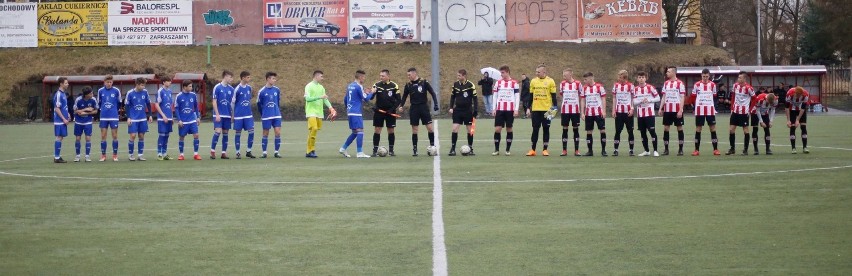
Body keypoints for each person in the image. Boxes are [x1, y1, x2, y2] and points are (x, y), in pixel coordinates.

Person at [399, 67, 439, 156]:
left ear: (414, 74)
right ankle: (415, 149)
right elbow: (404, 96)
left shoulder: (424, 82)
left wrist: (436, 104)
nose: (408, 76)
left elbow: (432, 92)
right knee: (415, 130)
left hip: (424, 107)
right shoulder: (408, 85)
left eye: (409, 75)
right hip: (414, 108)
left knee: (430, 128)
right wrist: (401, 105)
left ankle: (432, 146)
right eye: (407, 75)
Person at [339, 70, 374, 158]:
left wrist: (348, 108)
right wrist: (373, 92)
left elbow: (345, 99)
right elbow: (365, 99)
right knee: (360, 131)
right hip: (356, 112)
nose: (364, 79)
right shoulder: (359, 86)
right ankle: (359, 152)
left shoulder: (350, 86)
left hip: (350, 112)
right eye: (364, 77)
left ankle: (343, 148)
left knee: (355, 132)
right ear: (360, 77)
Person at [525, 65, 557, 156]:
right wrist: (528, 108)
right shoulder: (533, 81)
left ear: (544, 72)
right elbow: (530, 96)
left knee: (546, 129)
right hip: (536, 110)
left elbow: (554, 97)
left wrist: (554, 110)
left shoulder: (550, 81)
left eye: (538, 72)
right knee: (535, 129)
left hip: (548, 110)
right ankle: (532, 150)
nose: (536, 73)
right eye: (536, 72)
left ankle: (545, 150)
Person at [304, 70, 337, 158]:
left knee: (314, 131)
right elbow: (307, 99)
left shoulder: (321, 87)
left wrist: (331, 108)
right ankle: (310, 150)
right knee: (314, 129)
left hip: (319, 112)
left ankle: (309, 151)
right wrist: (319, 97)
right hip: (311, 112)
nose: (323, 78)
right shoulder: (308, 86)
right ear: (316, 76)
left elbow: (325, 99)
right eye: (321, 76)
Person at [371, 69, 401, 156]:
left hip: (390, 112)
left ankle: (391, 150)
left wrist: (392, 109)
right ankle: (375, 150)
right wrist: (372, 95)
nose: (381, 77)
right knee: (377, 130)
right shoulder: (376, 85)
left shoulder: (394, 85)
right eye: (380, 76)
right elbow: (371, 97)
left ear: (388, 76)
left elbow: (398, 100)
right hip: (379, 111)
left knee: (391, 130)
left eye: (383, 76)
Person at [491, 65, 520, 156]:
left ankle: (507, 149)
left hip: (510, 110)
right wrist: (494, 108)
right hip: (500, 109)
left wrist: (516, 109)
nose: (501, 74)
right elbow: (495, 96)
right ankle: (496, 149)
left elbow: (517, 97)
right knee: (498, 129)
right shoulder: (498, 83)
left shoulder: (514, 83)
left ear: (507, 72)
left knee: (509, 128)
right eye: (501, 73)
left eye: (503, 73)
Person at [691, 69, 720, 156]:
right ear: (701, 76)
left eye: (707, 76)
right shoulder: (697, 85)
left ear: (709, 76)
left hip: (710, 110)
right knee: (698, 129)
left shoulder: (712, 85)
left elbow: (714, 97)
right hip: (700, 110)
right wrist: (694, 108)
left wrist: (714, 107)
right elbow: (693, 97)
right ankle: (696, 150)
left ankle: (715, 149)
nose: (705, 78)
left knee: (712, 128)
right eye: (703, 76)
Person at [448, 69, 478, 156]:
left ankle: (470, 148)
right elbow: (452, 96)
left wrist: (475, 110)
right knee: (454, 129)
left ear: (464, 76)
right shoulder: (455, 84)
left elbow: (475, 98)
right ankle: (453, 148)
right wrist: (451, 107)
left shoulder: (470, 85)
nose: (458, 77)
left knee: (470, 130)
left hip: (468, 111)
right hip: (457, 110)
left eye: (459, 76)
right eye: (457, 75)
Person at [727, 71, 756, 155]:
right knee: (731, 129)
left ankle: (745, 150)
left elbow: (754, 99)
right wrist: (732, 108)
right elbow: (733, 97)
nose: (738, 79)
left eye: (740, 78)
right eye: (738, 77)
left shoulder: (749, 88)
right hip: (735, 111)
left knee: (745, 130)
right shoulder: (735, 86)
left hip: (744, 112)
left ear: (744, 79)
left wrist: (750, 110)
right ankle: (732, 149)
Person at [658, 67, 686, 156]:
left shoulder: (680, 83)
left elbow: (682, 97)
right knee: (666, 128)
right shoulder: (666, 83)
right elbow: (664, 97)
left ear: (673, 73)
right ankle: (666, 149)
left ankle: (680, 149)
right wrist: (660, 108)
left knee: (679, 128)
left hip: (677, 110)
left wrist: (680, 110)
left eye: (668, 72)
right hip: (668, 110)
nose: (667, 73)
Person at [124, 77, 153, 161]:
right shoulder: (130, 93)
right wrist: (128, 117)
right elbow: (127, 105)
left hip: (142, 118)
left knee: (141, 136)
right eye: (142, 85)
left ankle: (140, 155)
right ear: (137, 84)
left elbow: (148, 103)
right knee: (133, 136)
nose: (143, 87)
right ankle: (131, 154)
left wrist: (150, 115)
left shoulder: (145, 92)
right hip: (133, 118)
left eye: (144, 85)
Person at [633, 71, 660, 156]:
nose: (641, 79)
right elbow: (634, 102)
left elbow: (658, 98)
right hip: (640, 115)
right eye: (639, 77)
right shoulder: (635, 89)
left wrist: (650, 100)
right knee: (642, 133)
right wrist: (641, 101)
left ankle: (655, 150)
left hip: (650, 114)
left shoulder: (650, 88)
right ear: (637, 79)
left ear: (645, 78)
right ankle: (646, 150)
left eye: (643, 77)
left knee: (652, 131)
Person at [580, 72, 607, 156]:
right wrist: (582, 112)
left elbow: (603, 99)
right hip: (588, 113)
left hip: (599, 113)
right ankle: (590, 151)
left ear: (591, 78)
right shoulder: (584, 88)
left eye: (585, 79)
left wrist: (604, 111)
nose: (584, 81)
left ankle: (603, 150)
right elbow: (583, 100)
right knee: (589, 131)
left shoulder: (599, 87)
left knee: (602, 130)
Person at [174, 80, 202, 160]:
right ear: (184, 87)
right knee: (181, 137)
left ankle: (196, 154)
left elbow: (196, 107)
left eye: (191, 86)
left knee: (196, 135)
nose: (191, 88)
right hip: (183, 121)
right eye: (189, 86)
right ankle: (181, 154)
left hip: (192, 119)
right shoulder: (179, 96)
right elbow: (176, 109)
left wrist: (198, 117)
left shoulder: (193, 95)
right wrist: (179, 120)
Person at [257, 72, 283, 158]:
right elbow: (259, 104)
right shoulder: (261, 91)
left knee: (278, 132)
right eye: (273, 78)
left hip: (276, 115)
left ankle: (276, 152)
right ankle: (264, 152)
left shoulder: (277, 90)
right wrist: (263, 113)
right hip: (266, 116)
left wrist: (277, 111)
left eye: (275, 79)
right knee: (265, 133)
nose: (274, 80)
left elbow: (278, 102)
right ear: (268, 79)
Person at [559, 68, 583, 156]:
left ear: (570, 75)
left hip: (575, 111)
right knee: (565, 129)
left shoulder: (578, 83)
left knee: (575, 129)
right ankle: (564, 150)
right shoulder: (562, 84)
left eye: (565, 75)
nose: (563, 77)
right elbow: (562, 95)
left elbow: (581, 96)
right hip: (565, 110)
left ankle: (576, 150)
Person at [211, 70, 235, 159]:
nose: (231, 79)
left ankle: (223, 153)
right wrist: (217, 114)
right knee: (218, 131)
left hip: (227, 115)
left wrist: (232, 115)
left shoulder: (231, 89)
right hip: (219, 115)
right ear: (225, 76)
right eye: (230, 77)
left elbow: (232, 103)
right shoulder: (217, 87)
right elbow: (214, 102)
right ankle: (212, 151)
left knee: (225, 133)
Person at [611, 69, 635, 156]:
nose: (618, 78)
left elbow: (633, 98)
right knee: (617, 131)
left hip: (628, 112)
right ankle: (616, 149)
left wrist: (632, 109)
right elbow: (614, 98)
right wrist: (613, 110)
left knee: (630, 131)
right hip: (619, 112)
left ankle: (631, 150)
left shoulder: (630, 86)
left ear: (624, 77)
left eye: (620, 77)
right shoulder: (616, 86)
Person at [232, 71, 256, 159]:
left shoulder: (249, 88)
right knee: (238, 133)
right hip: (239, 115)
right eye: (248, 77)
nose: (249, 79)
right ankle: (238, 152)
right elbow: (233, 103)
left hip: (248, 115)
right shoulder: (237, 89)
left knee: (252, 132)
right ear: (243, 78)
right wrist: (233, 115)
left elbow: (248, 100)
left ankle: (248, 151)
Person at [97, 75, 121, 162]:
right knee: (103, 136)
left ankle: (115, 155)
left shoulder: (116, 90)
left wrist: (114, 110)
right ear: (104, 82)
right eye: (107, 82)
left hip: (114, 116)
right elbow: (98, 103)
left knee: (114, 136)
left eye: (111, 82)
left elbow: (119, 102)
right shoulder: (100, 91)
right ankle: (103, 155)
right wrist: (103, 110)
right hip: (103, 116)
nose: (109, 84)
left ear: (112, 82)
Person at [72, 86, 97, 162]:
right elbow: (75, 111)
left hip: (88, 122)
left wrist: (85, 113)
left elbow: (96, 111)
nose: (92, 94)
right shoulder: (78, 100)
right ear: (86, 95)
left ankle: (87, 156)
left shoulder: (93, 99)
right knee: (78, 138)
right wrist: (85, 109)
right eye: (91, 93)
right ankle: (77, 156)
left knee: (88, 138)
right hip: (78, 122)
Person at [153, 76, 174, 161]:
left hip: (169, 117)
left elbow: (170, 106)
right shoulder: (160, 91)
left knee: (167, 136)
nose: (170, 82)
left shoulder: (169, 91)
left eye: (170, 81)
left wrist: (171, 117)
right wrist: (163, 116)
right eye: (168, 81)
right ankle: (159, 153)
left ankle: (165, 153)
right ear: (164, 82)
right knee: (162, 135)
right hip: (162, 118)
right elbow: (157, 104)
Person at [786, 86, 810, 154]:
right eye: (796, 95)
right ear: (795, 93)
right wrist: (788, 120)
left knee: (803, 127)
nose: (797, 97)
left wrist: (798, 120)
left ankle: (805, 147)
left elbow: (803, 109)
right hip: (792, 110)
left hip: (801, 110)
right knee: (792, 127)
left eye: (799, 95)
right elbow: (786, 108)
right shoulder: (789, 94)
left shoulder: (806, 95)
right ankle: (793, 148)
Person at [53, 77, 71, 163]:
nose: (67, 84)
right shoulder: (59, 94)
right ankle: (56, 157)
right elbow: (57, 108)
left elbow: (63, 107)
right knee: (59, 137)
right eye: (66, 83)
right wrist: (64, 119)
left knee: (61, 137)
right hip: (59, 120)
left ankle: (57, 156)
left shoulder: (63, 94)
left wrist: (67, 114)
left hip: (62, 120)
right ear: (61, 84)